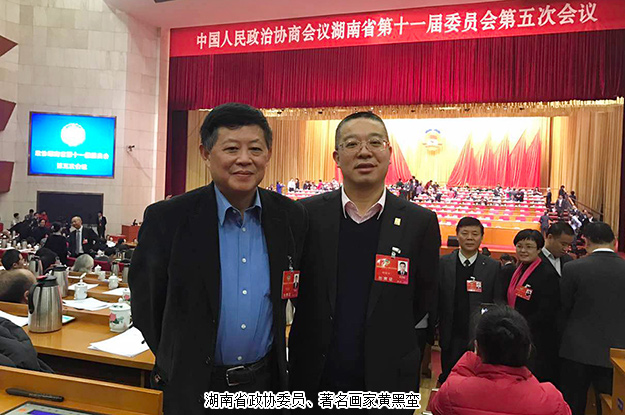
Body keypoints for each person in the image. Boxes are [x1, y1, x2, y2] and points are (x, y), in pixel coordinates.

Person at [129, 103, 307, 415]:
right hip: (194, 387)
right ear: (206, 153)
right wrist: (180, 360)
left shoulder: (290, 216)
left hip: (265, 385)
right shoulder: (168, 219)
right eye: (231, 148)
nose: (244, 159)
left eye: (255, 148)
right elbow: (147, 307)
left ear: (268, 154)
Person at [289, 111, 441, 410]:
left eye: (374, 142)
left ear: (389, 152)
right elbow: (296, 289)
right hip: (315, 376)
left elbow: (423, 298)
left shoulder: (419, 222)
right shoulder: (305, 215)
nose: (364, 152)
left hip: (389, 377)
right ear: (337, 156)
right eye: (352, 144)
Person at [430, 305, 571, 415]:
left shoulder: (452, 393)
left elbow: (437, 406)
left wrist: (468, 359)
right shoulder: (552, 400)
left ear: (477, 348)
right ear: (528, 350)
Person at [559, 222, 625, 415]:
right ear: (614, 241)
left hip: (576, 350)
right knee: (611, 406)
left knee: (573, 404)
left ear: (586, 242)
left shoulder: (572, 268)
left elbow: (564, 307)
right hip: (617, 354)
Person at [434, 216, 501, 384]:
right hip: (450, 331)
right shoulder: (443, 263)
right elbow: (436, 297)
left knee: (475, 380)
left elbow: (496, 300)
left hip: (479, 334)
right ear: (457, 235)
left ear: (481, 237)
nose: (470, 238)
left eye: (475, 234)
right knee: (449, 376)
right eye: (465, 233)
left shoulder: (492, 266)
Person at [499, 229, 560, 384]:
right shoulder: (516, 270)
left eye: (529, 247)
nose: (523, 251)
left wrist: (520, 326)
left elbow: (547, 311)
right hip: (516, 333)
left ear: (539, 249)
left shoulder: (547, 274)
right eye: (519, 246)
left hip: (536, 338)